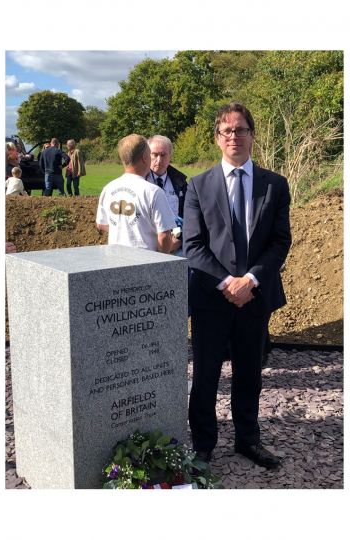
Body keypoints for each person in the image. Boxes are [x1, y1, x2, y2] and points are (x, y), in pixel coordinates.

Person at [183, 100, 291, 468]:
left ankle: (248, 440)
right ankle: (202, 445)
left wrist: (251, 281)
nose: (234, 136)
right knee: (206, 376)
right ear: (217, 138)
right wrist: (229, 283)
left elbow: (280, 241)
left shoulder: (275, 185)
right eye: (227, 130)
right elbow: (193, 245)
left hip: (255, 297)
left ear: (252, 135)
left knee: (249, 374)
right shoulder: (197, 186)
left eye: (241, 129)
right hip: (211, 299)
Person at [95, 134, 175, 254]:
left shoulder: (108, 189)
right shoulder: (153, 192)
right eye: (150, 154)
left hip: (114, 260)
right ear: (145, 158)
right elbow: (164, 235)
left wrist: (125, 232)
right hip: (146, 262)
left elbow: (101, 224)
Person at [146, 135, 188, 256]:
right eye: (154, 154)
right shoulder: (140, 182)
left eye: (163, 155)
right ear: (147, 156)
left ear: (170, 157)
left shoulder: (180, 183)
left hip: (176, 243)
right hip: (148, 245)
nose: (159, 160)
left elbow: (191, 215)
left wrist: (179, 239)